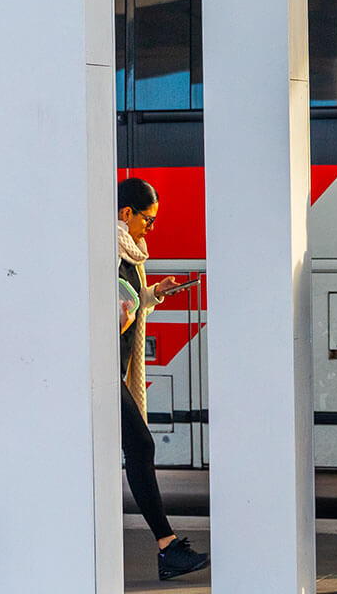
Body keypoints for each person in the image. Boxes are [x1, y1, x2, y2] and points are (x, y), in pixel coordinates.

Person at [115, 177, 210, 581]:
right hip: (97, 370)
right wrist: (121, 317)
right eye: (148, 220)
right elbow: (107, 314)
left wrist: (155, 293)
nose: (151, 228)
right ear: (126, 214)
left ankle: (168, 548)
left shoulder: (130, 255)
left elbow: (129, 302)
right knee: (141, 445)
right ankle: (168, 547)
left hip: (111, 370)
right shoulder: (109, 252)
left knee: (135, 448)